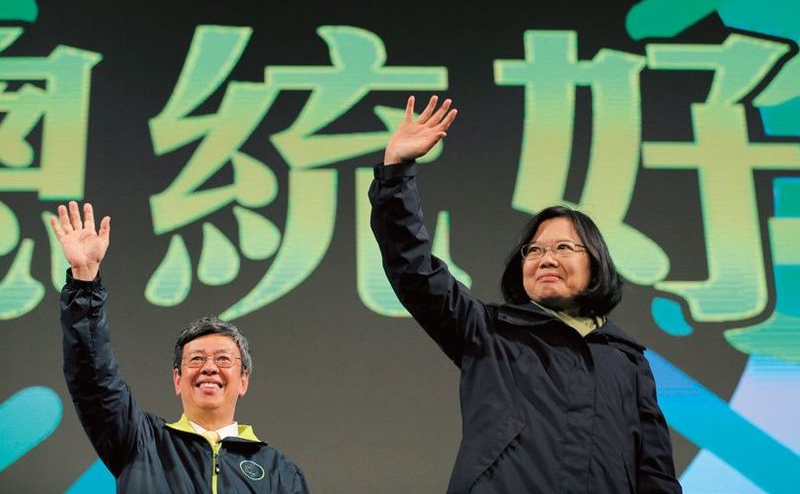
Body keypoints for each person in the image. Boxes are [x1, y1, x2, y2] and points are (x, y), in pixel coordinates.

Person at [369, 95, 683, 494]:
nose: (546, 259)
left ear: (595, 263)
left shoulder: (627, 360)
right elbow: (413, 268)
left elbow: (656, 474)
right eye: (534, 251)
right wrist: (396, 174)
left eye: (563, 248)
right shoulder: (488, 332)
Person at [51, 201, 309, 494]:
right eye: (196, 359)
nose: (209, 367)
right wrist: (85, 283)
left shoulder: (280, 473)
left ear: (243, 380)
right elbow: (94, 379)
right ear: (177, 378)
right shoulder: (142, 443)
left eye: (224, 359)